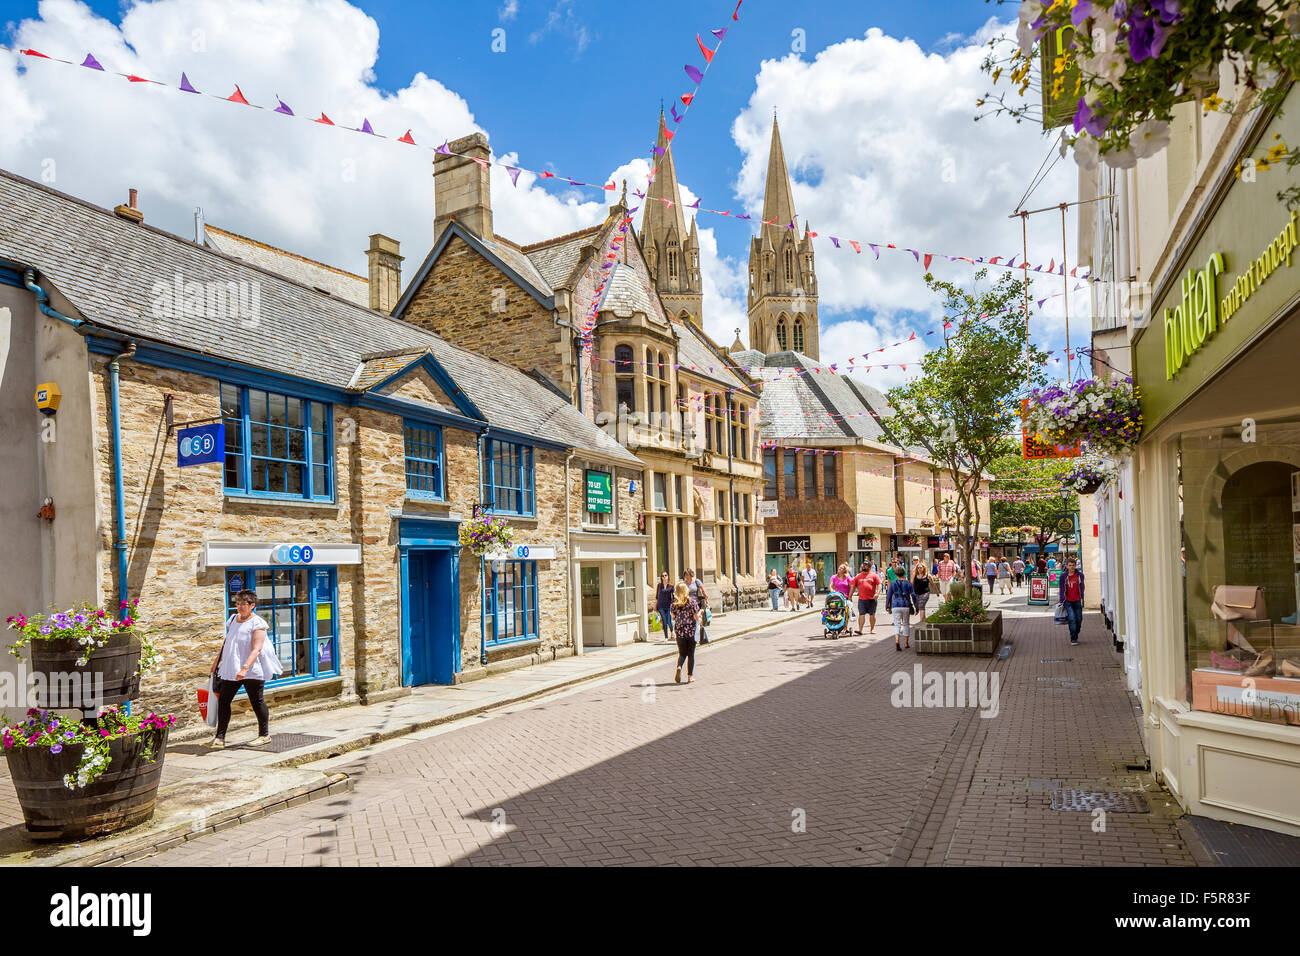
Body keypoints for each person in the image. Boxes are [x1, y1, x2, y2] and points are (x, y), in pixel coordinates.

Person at [207, 589, 282, 749]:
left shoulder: (258, 623)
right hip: (232, 668)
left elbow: (257, 649)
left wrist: (245, 668)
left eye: (243, 604)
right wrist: (216, 662)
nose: (240, 607)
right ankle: (220, 738)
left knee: (257, 701)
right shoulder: (233, 619)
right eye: (238, 603)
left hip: (252, 669)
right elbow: (228, 643)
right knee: (224, 701)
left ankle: (264, 735)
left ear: (252, 605)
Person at [670, 581, 700, 684]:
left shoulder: (674, 604)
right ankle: (690, 677)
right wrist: (700, 613)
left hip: (680, 632)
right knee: (691, 654)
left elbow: (673, 616)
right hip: (691, 632)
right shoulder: (692, 602)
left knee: (682, 653)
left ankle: (679, 666)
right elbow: (696, 617)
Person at [886, 567, 918, 651]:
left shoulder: (893, 583)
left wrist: (887, 605)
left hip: (895, 605)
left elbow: (889, 595)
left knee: (897, 624)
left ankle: (897, 641)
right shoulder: (908, 583)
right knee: (906, 624)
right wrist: (916, 606)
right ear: (904, 573)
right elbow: (913, 596)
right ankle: (906, 643)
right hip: (906, 605)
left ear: (896, 574)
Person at [1059, 557, 1085, 645]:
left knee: (1079, 619)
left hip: (1077, 600)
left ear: (1075, 565)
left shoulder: (1080, 575)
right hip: (1068, 601)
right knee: (1072, 619)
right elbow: (1061, 589)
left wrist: (1082, 596)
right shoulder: (1063, 576)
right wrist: (1062, 601)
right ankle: (1073, 638)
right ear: (1066, 566)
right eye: (1070, 565)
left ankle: (1076, 632)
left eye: (1073, 565)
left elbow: (1082, 586)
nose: (1072, 567)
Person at [853, 562, 883, 635]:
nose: (864, 567)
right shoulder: (858, 576)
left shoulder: (874, 575)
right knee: (861, 614)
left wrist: (877, 593)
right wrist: (850, 596)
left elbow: (879, 585)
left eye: (866, 566)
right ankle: (860, 630)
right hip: (862, 599)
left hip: (872, 599)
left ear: (869, 567)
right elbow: (853, 585)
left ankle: (872, 629)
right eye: (863, 565)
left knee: (872, 614)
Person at [683, 569, 709, 643]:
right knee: (690, 621)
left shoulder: (696, 581)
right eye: (685, 575)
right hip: (687, 605)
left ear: (691, 575)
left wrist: (707, 601)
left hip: (696, 604)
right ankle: (692, 636)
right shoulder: (684, 583)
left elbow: (703, 591)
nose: (686, 577)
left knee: (697, 620)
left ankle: (699, 636)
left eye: (688, 575)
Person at [655, 571, 675, 638]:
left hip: (668, 606)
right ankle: (666, 637)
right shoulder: (659, 586)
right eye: (662, 576)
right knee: (664, 621)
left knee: (669, 621)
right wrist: (655, 605)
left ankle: (672, 631)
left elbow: (674, 597)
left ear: (668, 576)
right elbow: (657, 596)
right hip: (661, 606)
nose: (664, 577)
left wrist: (673, 605)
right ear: (661, 577)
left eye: (665, 575)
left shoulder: (671, 586)